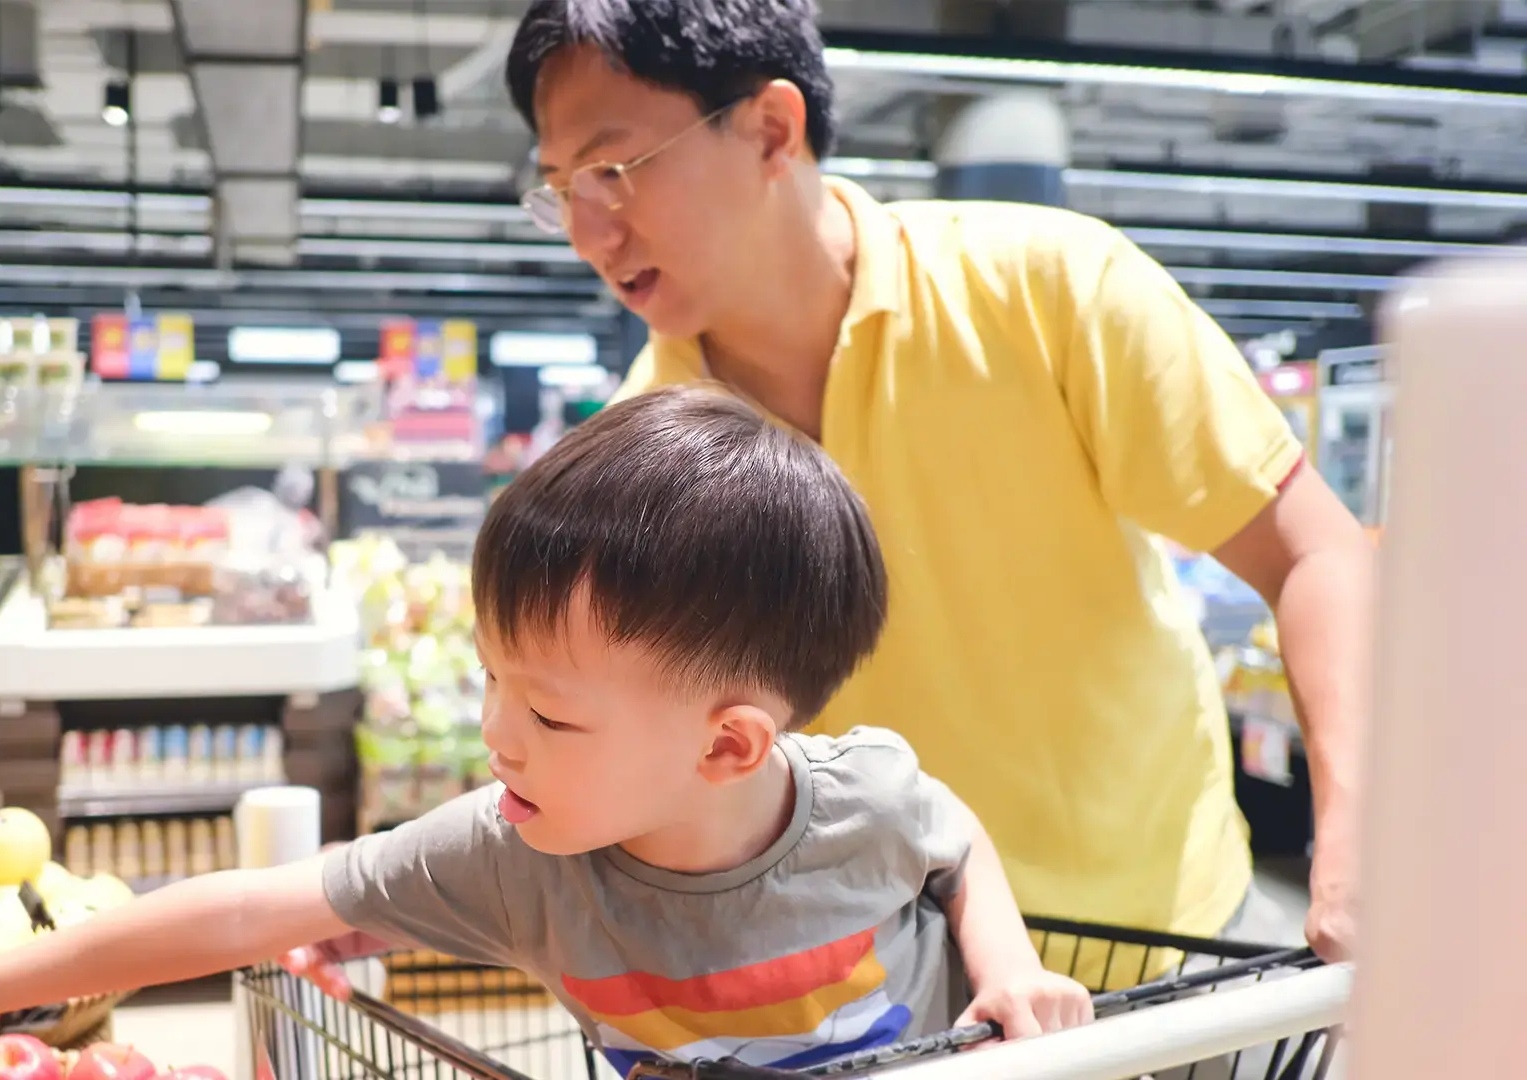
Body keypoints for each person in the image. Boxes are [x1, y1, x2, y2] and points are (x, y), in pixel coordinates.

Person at [0, 388, 1094, 1079]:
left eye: (549, 710)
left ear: (727, 749)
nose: (495, 737)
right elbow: (246, 909)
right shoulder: (511, 854)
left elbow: (952, 841)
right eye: (490, 683)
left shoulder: (862, 798)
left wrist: (1007, 968)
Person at [477, 0, 1372, 968]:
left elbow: (1313, 553)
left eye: (613, 171)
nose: (587, 232)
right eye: (561, 189)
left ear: (770, 129)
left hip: (1172, 939)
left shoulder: (1051, 291)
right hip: (884, 996)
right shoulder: (639, 458)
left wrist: (1359, 835)